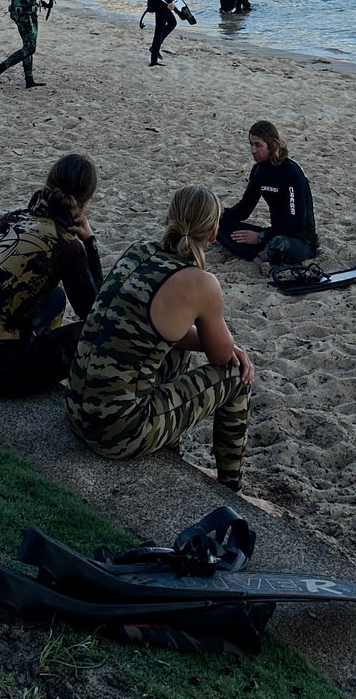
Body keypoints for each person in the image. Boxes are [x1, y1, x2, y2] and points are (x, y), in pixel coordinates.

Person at [66, 185, 253, 495]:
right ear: (213, 233)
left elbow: (168, 331)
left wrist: (211, 342)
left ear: (170, 218)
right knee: (239, 376)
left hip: (77, 413)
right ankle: (233, 489)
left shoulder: (138, 250)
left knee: (177, 352)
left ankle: (168, 453)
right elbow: (222, 359)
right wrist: (232, 349)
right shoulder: (202, 283)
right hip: (119, 433)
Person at [0, 154, 103, 398]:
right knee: (97, 335)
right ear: (85, 201)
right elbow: (94, 312)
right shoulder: (66, 244)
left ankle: (32, 346)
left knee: (55, 298)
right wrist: (90, 243)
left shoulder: (10, 219)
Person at [217, 122, 318, 267]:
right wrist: (222, 213)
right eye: (251, 144)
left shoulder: (291, 172)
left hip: (299, 240)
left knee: (278, 244)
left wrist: (261, 236)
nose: (253, 150)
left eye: (258, 145)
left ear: (273, 145)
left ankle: (258, 256)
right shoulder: (258, 171)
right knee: (220, 226)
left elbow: (296, 223)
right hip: (272, 234)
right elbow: (244, 209)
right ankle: (257, 259)